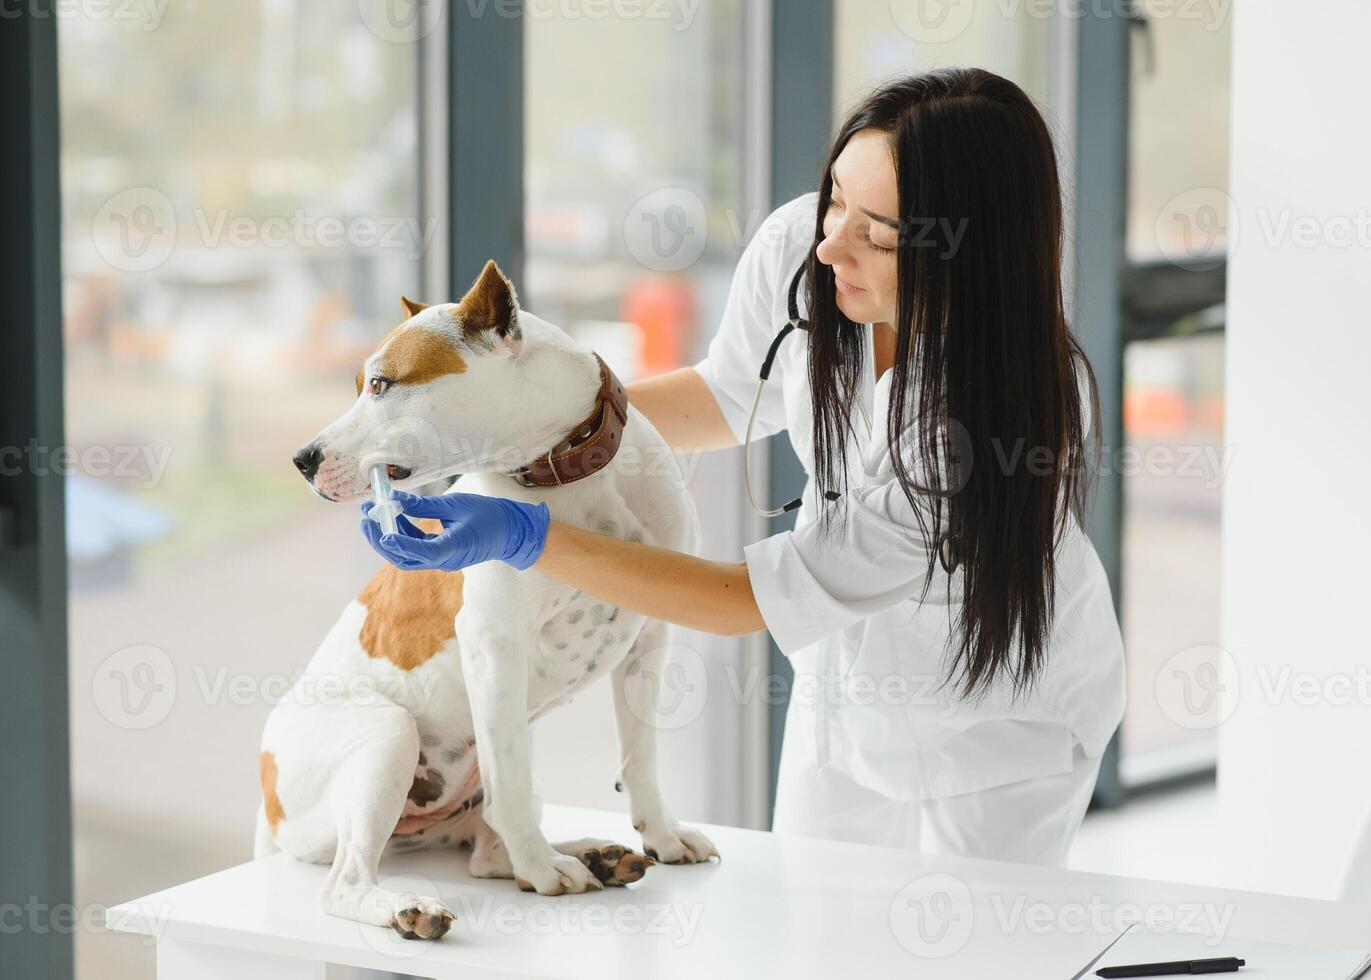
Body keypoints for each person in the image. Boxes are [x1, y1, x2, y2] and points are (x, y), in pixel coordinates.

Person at [362, 67, 1125, 867]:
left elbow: (739, 601)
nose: (831, 241)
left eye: (878, 233)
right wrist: (529, 426)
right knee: (816, 934)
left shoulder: (981, 417)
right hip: (847, 689)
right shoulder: (807, 250)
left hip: (1000, 718)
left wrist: (524, 534)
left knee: (974, 951)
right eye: (835, 196)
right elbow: (728, 394)